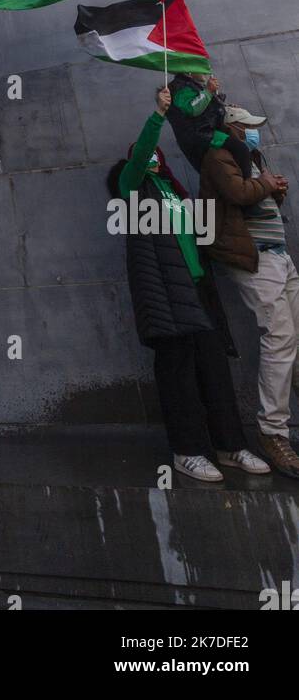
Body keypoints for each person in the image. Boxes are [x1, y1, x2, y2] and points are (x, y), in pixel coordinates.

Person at [108, 87, 269, 482]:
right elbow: (143, 148)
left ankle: (230, 445)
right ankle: (188, 451)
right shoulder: (133, 189)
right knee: (178, 377)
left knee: (215, 371)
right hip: (164, 297)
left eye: (156, 157)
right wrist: (158, 116)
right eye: (146, 156)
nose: (152, 159)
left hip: (198, 291)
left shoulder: (175, 193)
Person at [200, 105, 299, 479]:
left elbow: (256, 201)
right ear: (232, 127)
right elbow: (237, 192)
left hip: (280, 258)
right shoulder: (219, 154)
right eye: (247, 127)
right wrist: (266, 185)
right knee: (280, 338)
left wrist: (276, 192)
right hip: (255, 260)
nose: (253, 133)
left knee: (295, 340)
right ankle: (272, 433)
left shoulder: (250, 156)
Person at [166, 70, 251, 178]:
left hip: (206, 131)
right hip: (201, 135)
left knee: (239, 143)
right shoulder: (180, 88)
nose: (207, 71)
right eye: (202, 69)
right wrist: (208, 91)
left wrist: (221, 102)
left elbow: (207, 107)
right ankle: (248, 182)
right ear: (189, 71)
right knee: (241, 149)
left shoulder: (191, 84)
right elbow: (192, 109)